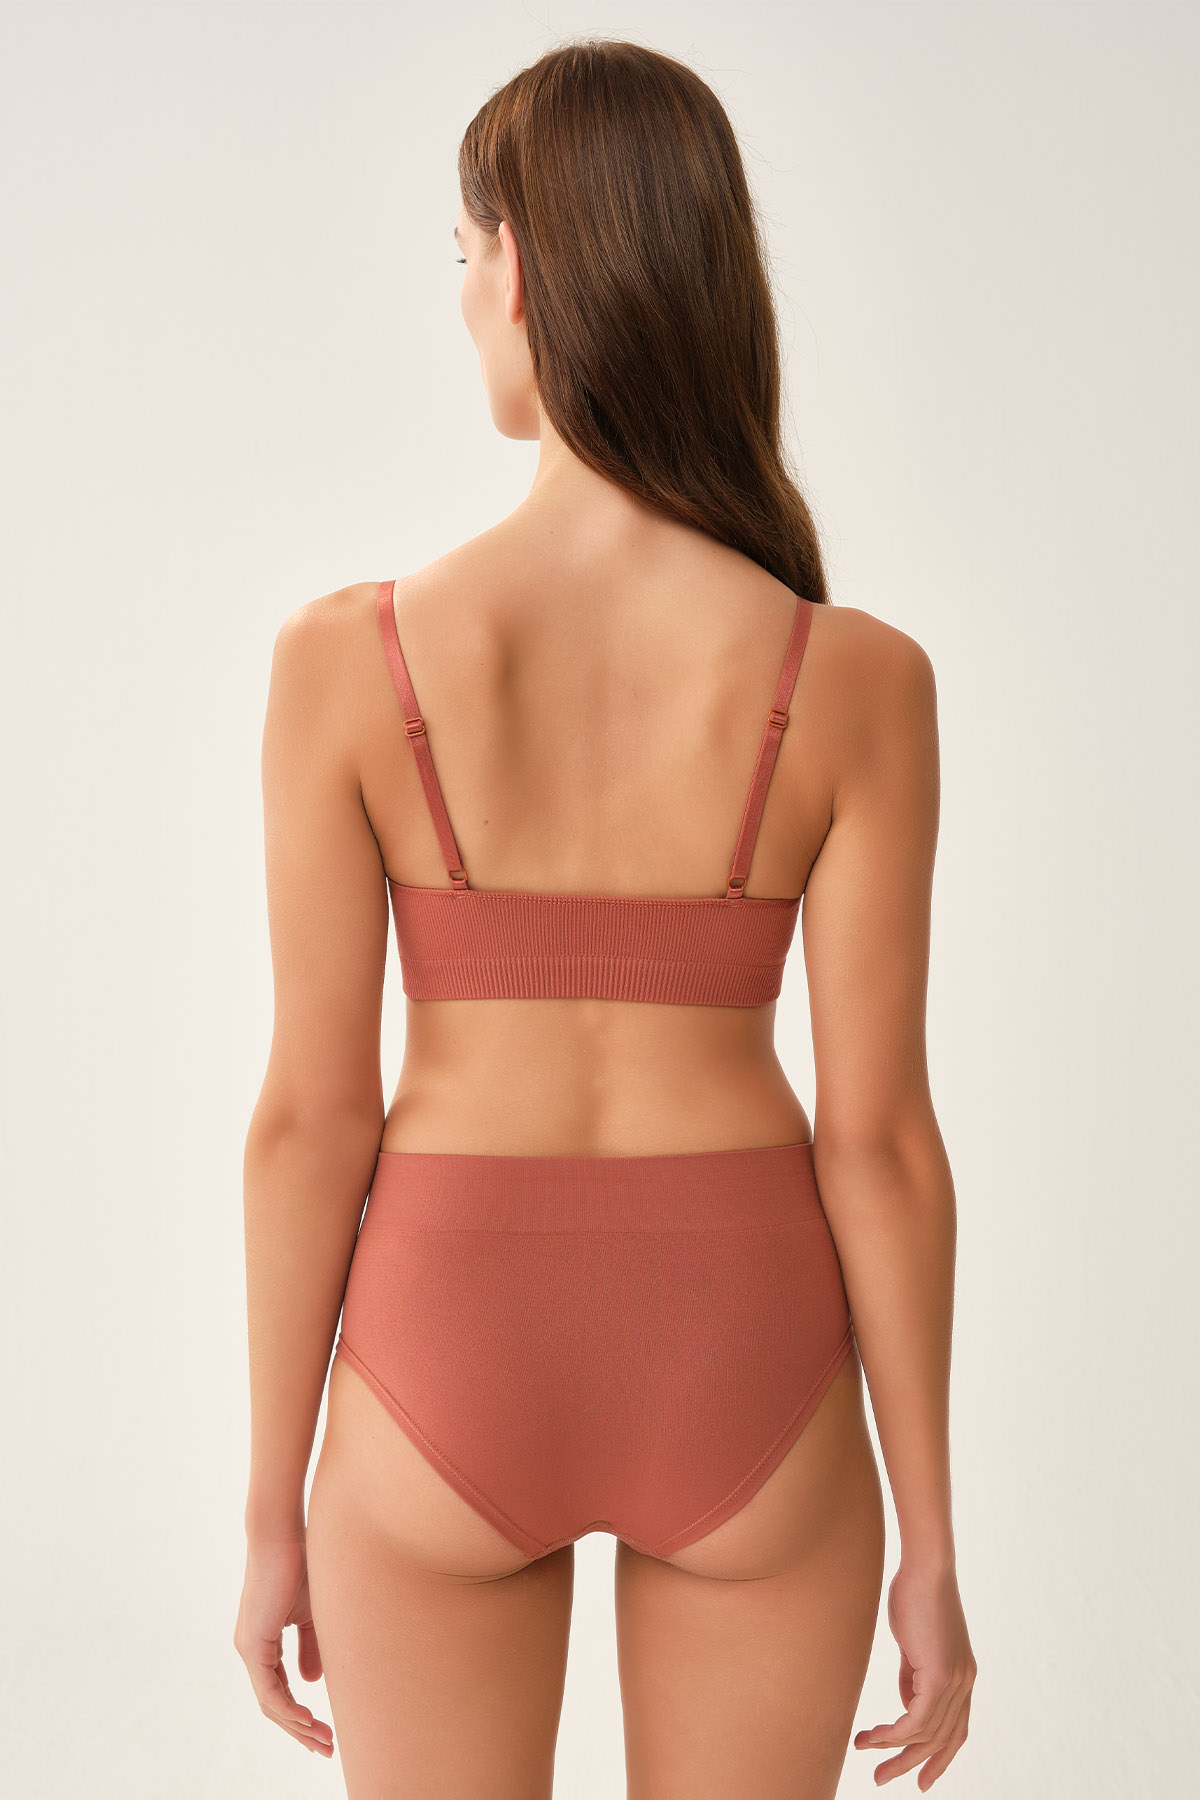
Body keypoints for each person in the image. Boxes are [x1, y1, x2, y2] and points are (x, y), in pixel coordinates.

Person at [233, 38, 976, 1799]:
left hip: (442, 1342)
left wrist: (272, 1512)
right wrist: (934, 1542)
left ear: (521, 269)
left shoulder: (347, 662)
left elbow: (311, 1121)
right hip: (746, 1350)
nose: (462, 295)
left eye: (464, 250)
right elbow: (879, 1138)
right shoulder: (858, 680)